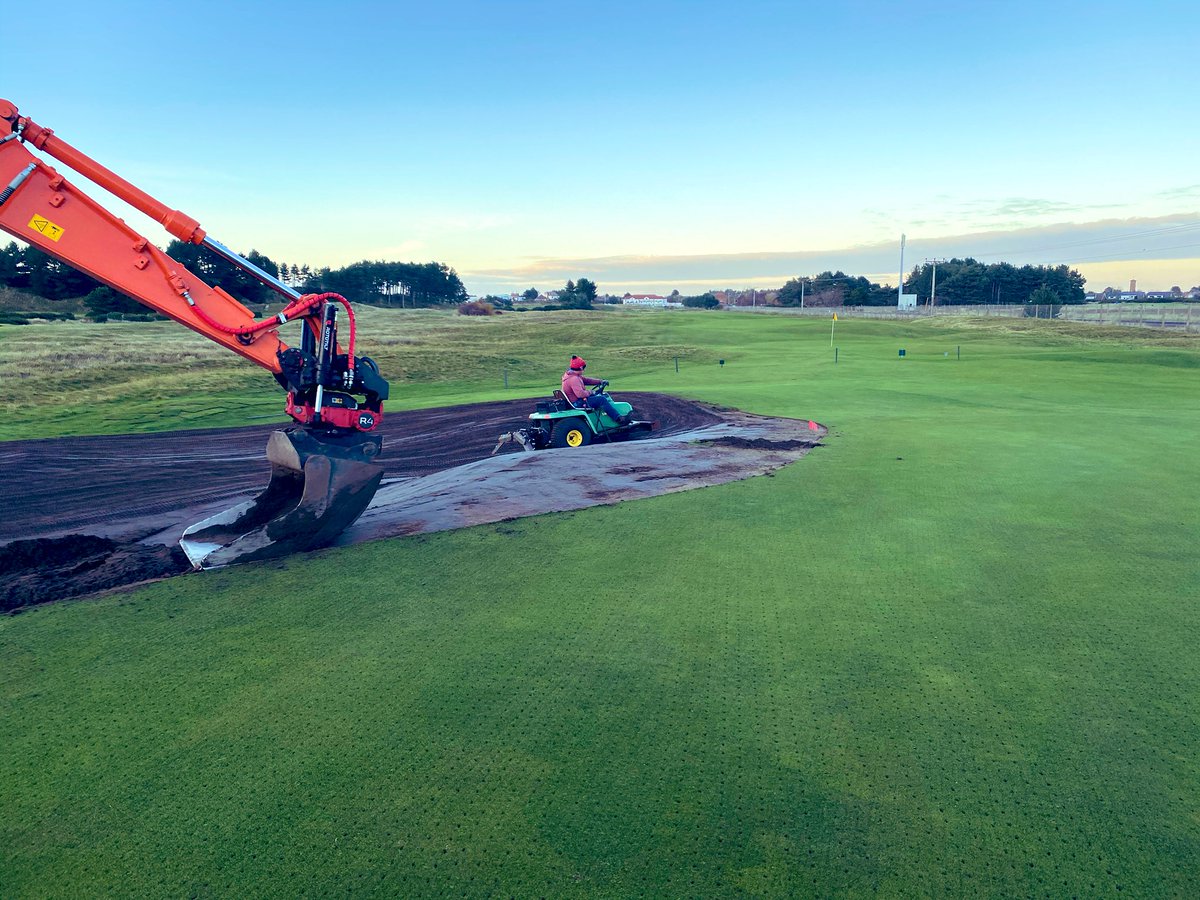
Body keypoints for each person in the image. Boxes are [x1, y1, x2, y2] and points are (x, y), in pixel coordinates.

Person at [561, 356, 630, 425]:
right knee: (601, 399)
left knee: (597, 397)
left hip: (576, 401)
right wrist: (591, 392)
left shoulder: (572, 375)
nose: (584, 370)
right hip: (578, 403)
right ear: (581, 368)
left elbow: (586, 380)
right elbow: (580, 394)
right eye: (583, 367)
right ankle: (618, 419)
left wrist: (600, 381)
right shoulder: (574, 379)